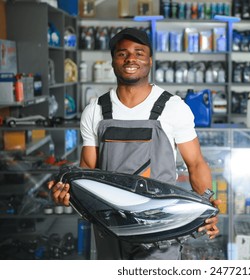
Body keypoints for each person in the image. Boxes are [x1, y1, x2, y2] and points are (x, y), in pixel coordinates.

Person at [48, 27, 220, 260]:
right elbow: (87, 170)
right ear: (113, 61)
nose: (131, 58)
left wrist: (206, 206)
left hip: (160, 228)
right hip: (109, 227)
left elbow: (196, 163)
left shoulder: (173, 107)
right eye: (122, 53)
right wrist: (68, 193)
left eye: (139, 52)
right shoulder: (95, 110)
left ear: (149, 60)